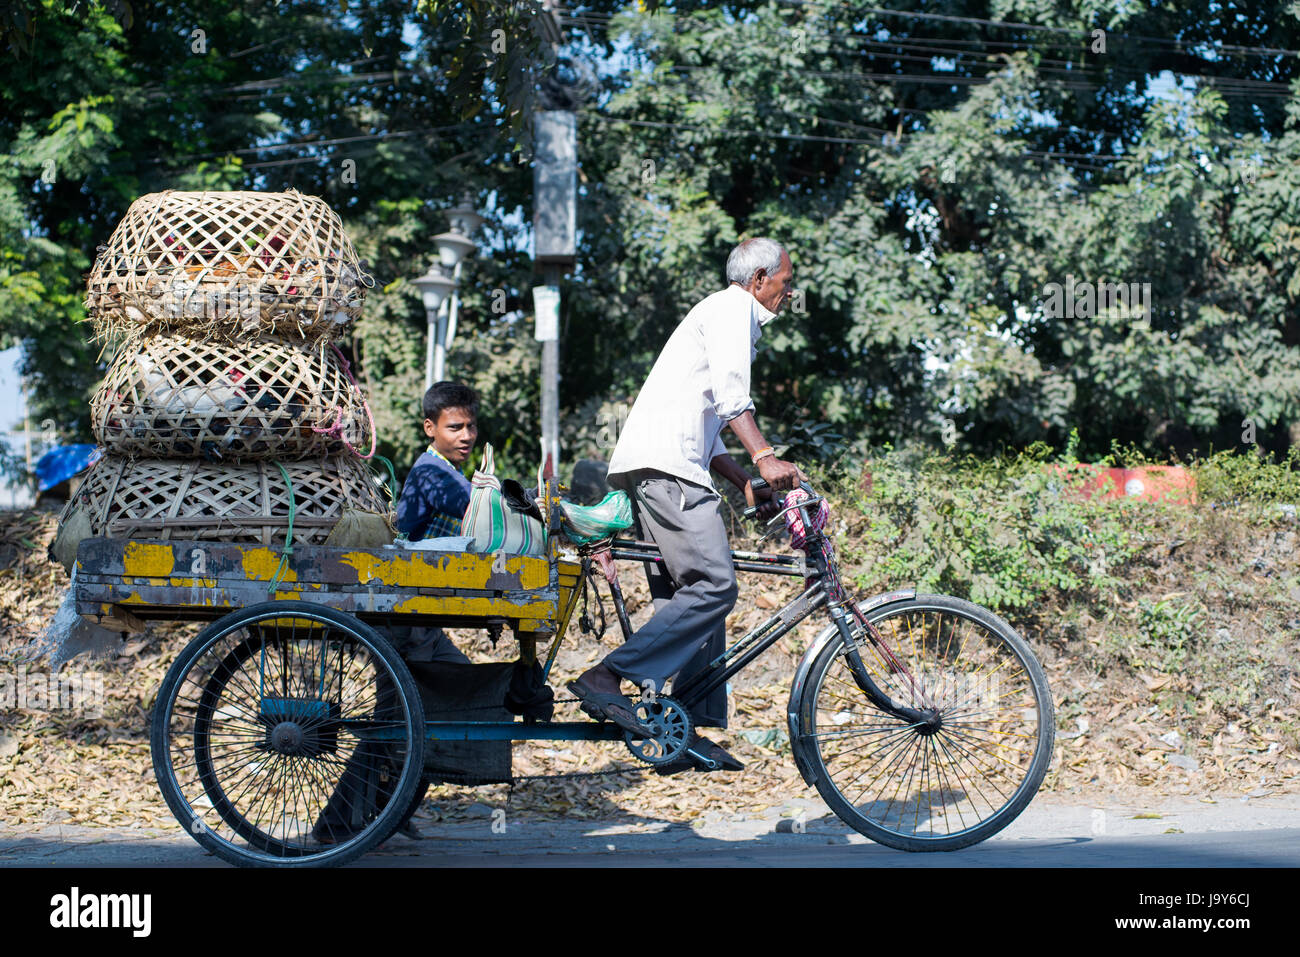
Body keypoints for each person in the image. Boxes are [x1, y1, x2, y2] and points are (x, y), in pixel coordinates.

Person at [567, 237, 802, 774]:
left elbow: (710, 426)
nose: (788, 293)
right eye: (785, 282)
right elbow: (732, 399)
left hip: (662, 466)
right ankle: (607, 677)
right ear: (760, 278)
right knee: (715, 584)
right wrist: (764, 457)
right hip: (669, 470)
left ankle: (679, 730)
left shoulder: (717, 315)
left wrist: (743, 479)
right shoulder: (731, 310)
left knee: (693, 599)